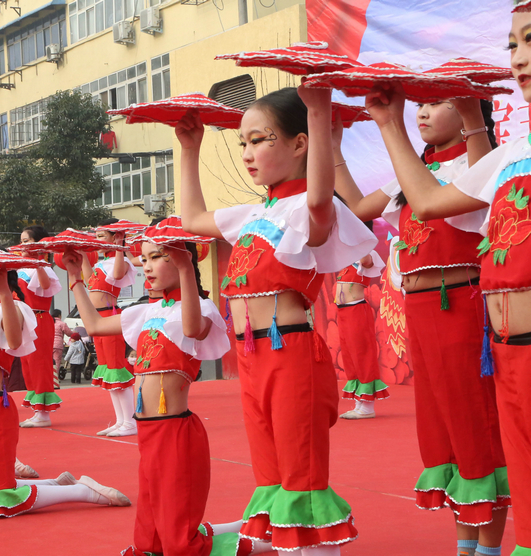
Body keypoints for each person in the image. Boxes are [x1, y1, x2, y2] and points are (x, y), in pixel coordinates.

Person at [361, 9, 531, 554]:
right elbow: (425, 202)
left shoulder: (508, 152)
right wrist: (386, 122)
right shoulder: (519, 152)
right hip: (510, 350)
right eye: (511, 42)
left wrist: (472, 121)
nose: (516, 54)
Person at [179, 86, 377, 555]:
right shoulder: (253, 213)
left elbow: (319, 198)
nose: (247, 153)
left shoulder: (307, 210)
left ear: (299, 144)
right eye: (243, 142)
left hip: (291, 355)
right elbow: (191, 218)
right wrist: (189, 148)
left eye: (260, 140)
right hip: (252, 357)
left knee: (302, 477)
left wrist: (319, 112)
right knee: (271, 475)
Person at [337, 93, 508, 553]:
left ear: (470, 107)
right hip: (421, 311)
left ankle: (487, 548)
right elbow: (354, 206)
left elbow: (481, 175)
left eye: (439, 102)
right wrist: (331, 140)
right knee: (444, 429)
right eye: (422, 105)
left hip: (463, 309)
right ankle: (465, 545)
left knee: (476, 427)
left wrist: (475, 120)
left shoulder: (480, 164)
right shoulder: (414, 176)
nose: (425, 112)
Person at [63, 231, 234, 556]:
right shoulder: (145, 311)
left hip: (176, 430)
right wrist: (75, 279)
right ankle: (244, 527)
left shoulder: (202, 307)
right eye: (144, 259)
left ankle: (260, 539)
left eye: (157, 256)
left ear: (184, 257)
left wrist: (186, 270)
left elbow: (191, 329)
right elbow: (96, 326)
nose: (147, 267)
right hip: (148, 430)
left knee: (178, 544)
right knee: (149, 541)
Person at [0, 247, 130, 517]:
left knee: (0, 497)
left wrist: (4, 291)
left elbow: (13, 342)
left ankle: (83, 490)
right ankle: (56, 483)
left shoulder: (15, 307)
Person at [81, 219, 138, 437]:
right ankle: (120, 420)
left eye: (101, 236)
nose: (97, 240)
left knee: (116, 368)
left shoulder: (119, 261)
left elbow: (117, 274)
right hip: (97, 319)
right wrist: (82, 254)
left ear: (114, 237)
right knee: (107, 370)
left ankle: (130, 422)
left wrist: (120, 245)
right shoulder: (99, 264)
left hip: (111, 317)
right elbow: (88, 281)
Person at [335, 238, 387, 419]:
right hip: (343, 313)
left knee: (362, 353)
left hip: (357, 310)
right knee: (350, 356)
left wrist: (356, 236)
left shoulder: (366, 256)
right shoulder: (345, 263)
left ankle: (367, 407)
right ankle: (359, 402)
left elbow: (365, 259)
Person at [17, 225, 63, 428]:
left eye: (27, 240)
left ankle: (44, 414)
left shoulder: (44, 267)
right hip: (24, 321)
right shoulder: (20, 267)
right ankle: (37, 410)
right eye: (22, 241)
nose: (23, 244)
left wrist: (37, 262)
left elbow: (45, 287)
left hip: (40, 320)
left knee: (39, 364)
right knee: (27, 365)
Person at [52, 308, 73, 376]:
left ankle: (48, 377)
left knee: (48, 362)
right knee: (57, 361)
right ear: (59, 315)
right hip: (57, 345)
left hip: (48, 344)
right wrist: (74, 333)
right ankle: (55, 378)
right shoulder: (62, 324)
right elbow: (69, 333)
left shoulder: (49, 322)